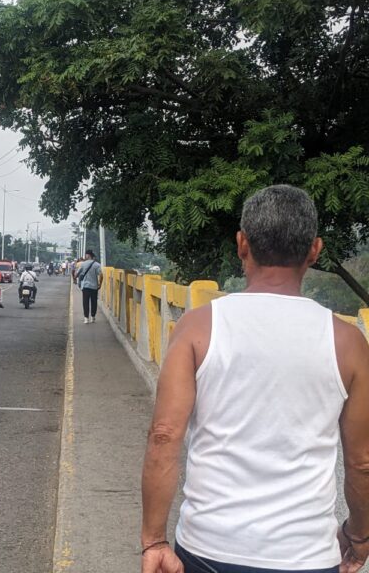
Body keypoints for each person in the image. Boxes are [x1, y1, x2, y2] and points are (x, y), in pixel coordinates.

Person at [141, 185, 369, 573]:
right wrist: (360, 537)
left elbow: (164, 435)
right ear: (315, 250)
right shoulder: (348, 341)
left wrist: (154, 541)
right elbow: (362, 461)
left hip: (207, 548)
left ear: (242, 244)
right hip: (307, 554)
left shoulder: (198, 327)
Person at [76, 250, 102, 324]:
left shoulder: (83, 264)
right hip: (94, 286)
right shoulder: (97, 264)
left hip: (86, 286)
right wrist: (100, 284)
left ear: (88, 255)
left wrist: (75, 278)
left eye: (86, 255)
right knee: (94, 302)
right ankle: (93, 317)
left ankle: (86, 318)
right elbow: (101, 275)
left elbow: (77, 274)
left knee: (85, 302)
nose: (85, 256)